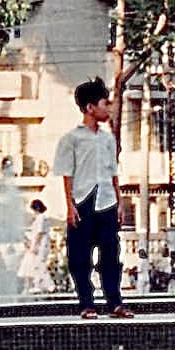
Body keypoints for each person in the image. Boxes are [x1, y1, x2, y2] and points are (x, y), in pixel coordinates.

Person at [52, 77, 133, 319]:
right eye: (104, 103)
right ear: (90, 108)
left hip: (107, 202)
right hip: (82, 202)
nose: (108, 108)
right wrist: (69, 206)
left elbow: (113, 172)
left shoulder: (108, 139)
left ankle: (115, 303)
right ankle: (86, 303)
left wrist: (119, 204)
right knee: (80, 258)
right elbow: (66, 174)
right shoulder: (72, 139)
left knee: (111, 255)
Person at [17, 199, 54, 294]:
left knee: (40, 263)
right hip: (39, 243)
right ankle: (39, 285)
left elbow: (39, 233)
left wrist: (34, 245)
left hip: (41, 243)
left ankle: (50, 285)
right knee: (36, 265)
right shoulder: (39, 218)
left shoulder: (41, 218)